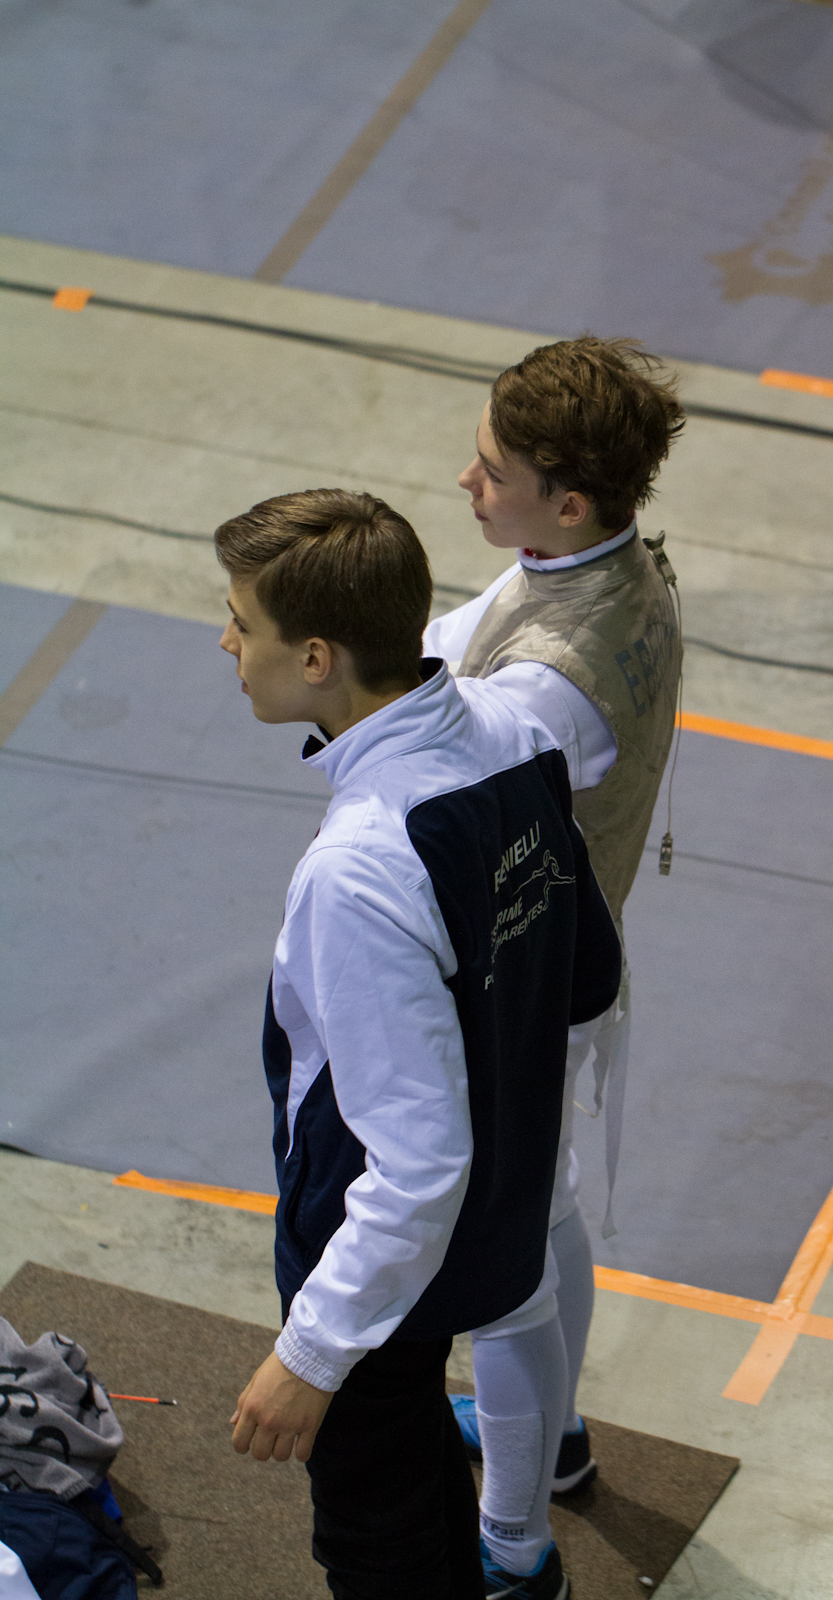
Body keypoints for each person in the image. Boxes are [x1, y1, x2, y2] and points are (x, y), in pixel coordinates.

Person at [218, 488, 621, 1600]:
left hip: (377, 1255)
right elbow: (586, 970)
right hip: (497, 1215)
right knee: (421, 1475)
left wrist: (311, 1353)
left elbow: (413, 1162)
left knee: (378, 1544)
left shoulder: (358, 867)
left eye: (241, 624)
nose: (225, 643)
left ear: (315, 658)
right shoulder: (518, 735)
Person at [423, 336, 684, 1591]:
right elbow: (456, 635)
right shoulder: (601, 563)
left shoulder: (547, 689)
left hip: (525, 994)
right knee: (548, 1205)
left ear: (566, 498)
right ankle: (558, 1438)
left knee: (503, 1267)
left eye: (490, 469)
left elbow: (421, 763)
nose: (465, 480)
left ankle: (515, 1551)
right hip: (564, 959)